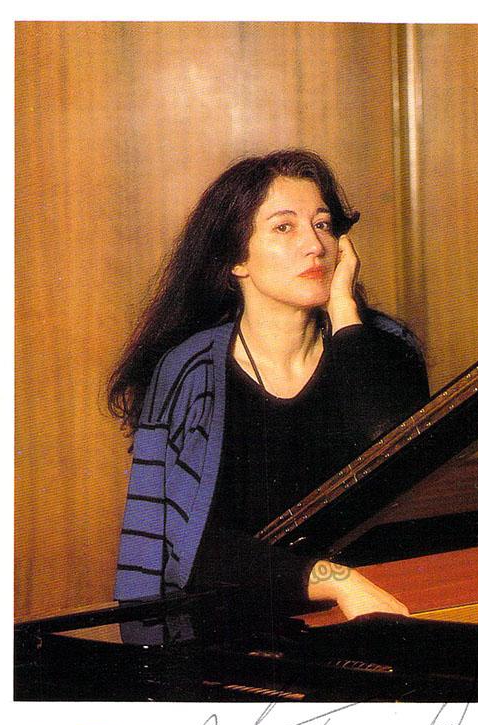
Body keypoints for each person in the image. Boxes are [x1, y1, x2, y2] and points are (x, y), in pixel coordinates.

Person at [108, 149, 429, 623]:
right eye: (284, 227)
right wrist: (336, 580)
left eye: (323, 225)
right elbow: (189, 550)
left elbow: (406, 467)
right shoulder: (192, 372)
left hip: (387, 608)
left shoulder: (382, 347)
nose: (314, 245)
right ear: (236, 259)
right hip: (236, 629)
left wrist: (344, 310)